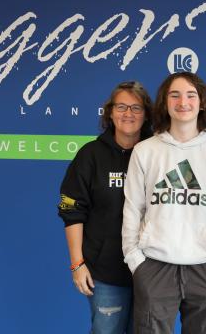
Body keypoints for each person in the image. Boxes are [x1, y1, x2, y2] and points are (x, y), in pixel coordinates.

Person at [121, 72, 206, 334]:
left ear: (202, 102)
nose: (183, 102)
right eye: (175, 95)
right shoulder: (145, 150)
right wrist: (135, 259)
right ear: (165, 102)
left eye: (191, 95)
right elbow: (133, 208)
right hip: (155, 265)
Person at [58, 81, 153, 334]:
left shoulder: (159, 154)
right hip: (106, 274)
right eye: (121, 106)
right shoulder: (90, 155)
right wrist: (77, 264)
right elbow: (71, 210)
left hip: (152, 271)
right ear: (110, 112)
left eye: (136, 107)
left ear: (146, 114)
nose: (128, 114)